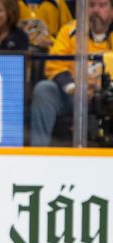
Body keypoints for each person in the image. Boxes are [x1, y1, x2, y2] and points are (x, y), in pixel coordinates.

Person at [30, 0, 113, 146]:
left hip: (108, 97)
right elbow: (54, 64)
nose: (96, 10)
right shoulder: (69, 31)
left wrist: (102, 90)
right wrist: (75, 88)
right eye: (91, 5)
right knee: (44, 89)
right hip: (72, 94)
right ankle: (38, 152)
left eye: (102, 6)